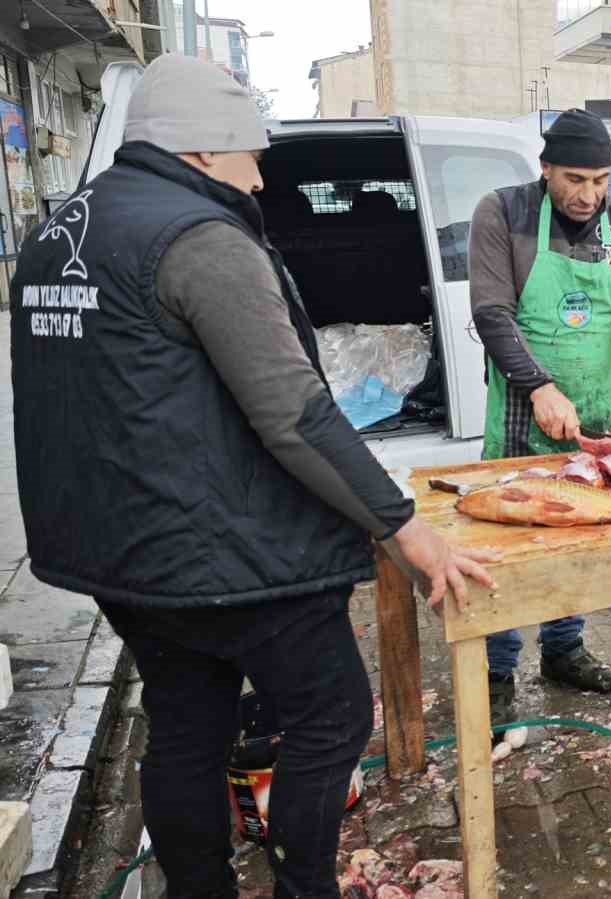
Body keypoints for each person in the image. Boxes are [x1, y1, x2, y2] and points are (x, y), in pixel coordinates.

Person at [8, 55, 496, 897]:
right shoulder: (198, 239)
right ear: (200, 151)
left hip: (113, 550)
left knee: (186, 726)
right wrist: (404, 527)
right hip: (219, 547)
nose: (262, 173)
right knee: (334, 712)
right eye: (250, 154)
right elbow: (295, 413)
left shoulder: (59, 234)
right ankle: (307, 885)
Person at [469, 109, 611, 723]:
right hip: (524, 417)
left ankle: (563, 650)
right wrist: (539, 386)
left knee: (578, 533)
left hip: (597, 414)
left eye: (601, 180)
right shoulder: (504, 214)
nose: (589, 195)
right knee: (508, 545)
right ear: (545, 168)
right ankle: (497, 667)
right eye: (575, 179)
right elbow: (492, 313)